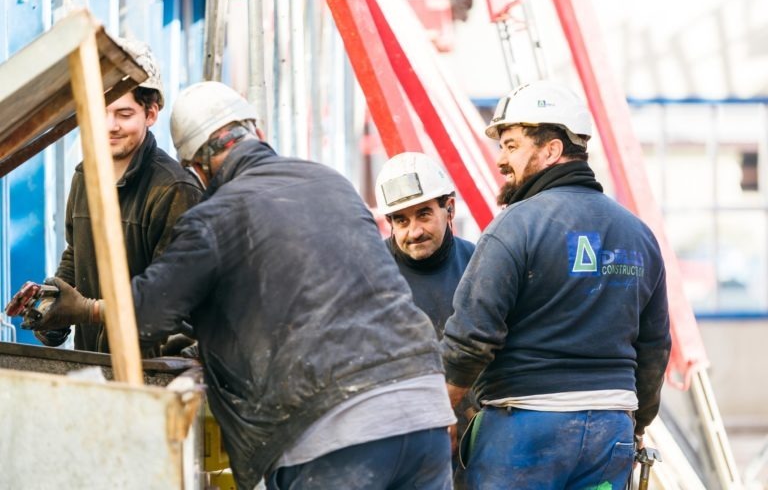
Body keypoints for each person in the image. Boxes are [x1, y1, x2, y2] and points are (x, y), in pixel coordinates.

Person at [30, 81, 456, 490]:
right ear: (258, 132)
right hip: (424, 407)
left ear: (198, 167)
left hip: (336, 427)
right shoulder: (330, 182)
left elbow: (150, 311)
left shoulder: (217, 215)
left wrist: (83, 309)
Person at [440, 80, 671, 489]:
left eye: (511, 145)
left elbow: (471, 338)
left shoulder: (514, 228)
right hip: (609, 433)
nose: (500, 160)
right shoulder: (638, 235)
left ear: (551, 150)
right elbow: (653, 347)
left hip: (524, 431)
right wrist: (637, 423)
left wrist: (438, 412)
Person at [23, 38, 202, 356]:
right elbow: (75, 256)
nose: (109, 126)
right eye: (99, 111)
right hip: (93, 365)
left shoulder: (173, 190)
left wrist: (85, 310)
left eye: (124, 114)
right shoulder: (84, 177)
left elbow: (172, 301)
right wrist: (51, 307)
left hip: (154, 374)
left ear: (151, 115)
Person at [374, 151, 475, 334]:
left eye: (424, 215)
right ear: (390, 222)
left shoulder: (478, 264)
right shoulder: (370, 270)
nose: (415, 232)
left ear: (450, 208)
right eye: (401, 220)